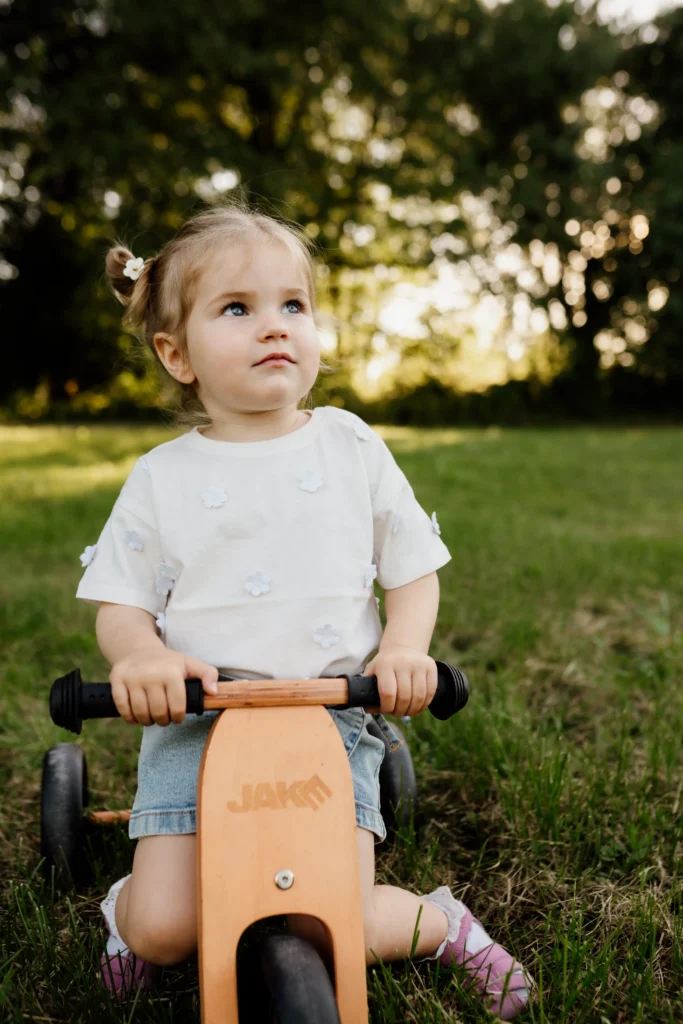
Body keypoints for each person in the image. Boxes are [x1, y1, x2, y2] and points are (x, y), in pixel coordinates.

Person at [76, 199, 533, 1019]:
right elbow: (121, 600)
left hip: (329, 717)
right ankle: (124, 908)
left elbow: (413, 571)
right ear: (176, 354)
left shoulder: (349, 445)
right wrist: (138, 657)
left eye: (292, 305)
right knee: (167, 929)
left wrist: (402, 650)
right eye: (237, 309)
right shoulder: (161, 476)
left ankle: (439, 924)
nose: (273, 326)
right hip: (198, 722)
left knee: (335, 923)